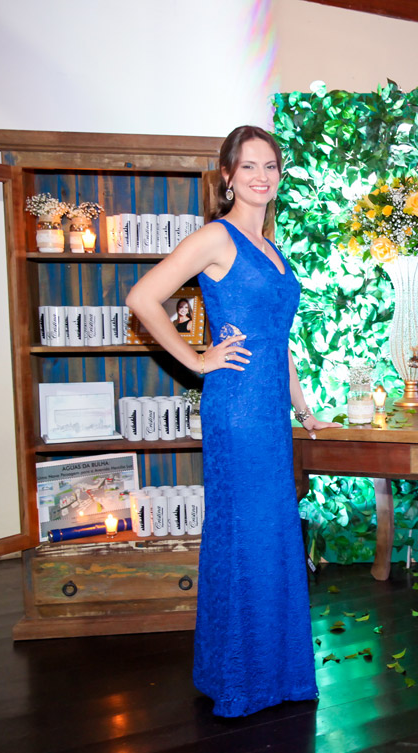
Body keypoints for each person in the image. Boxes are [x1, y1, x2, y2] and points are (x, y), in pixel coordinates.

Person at [126, 125, 339, 717]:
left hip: (269, 410)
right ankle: (243, 679)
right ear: (227, 176)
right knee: (247, 533)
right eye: (248, 166)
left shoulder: (271, 248)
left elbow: (277, 341)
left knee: (272, 532)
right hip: (238, 410)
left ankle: (275, 673)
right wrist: (198, 359)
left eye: (270, 166)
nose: (261, 177)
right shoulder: (216, 237)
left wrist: (303, 407)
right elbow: (142, 298)